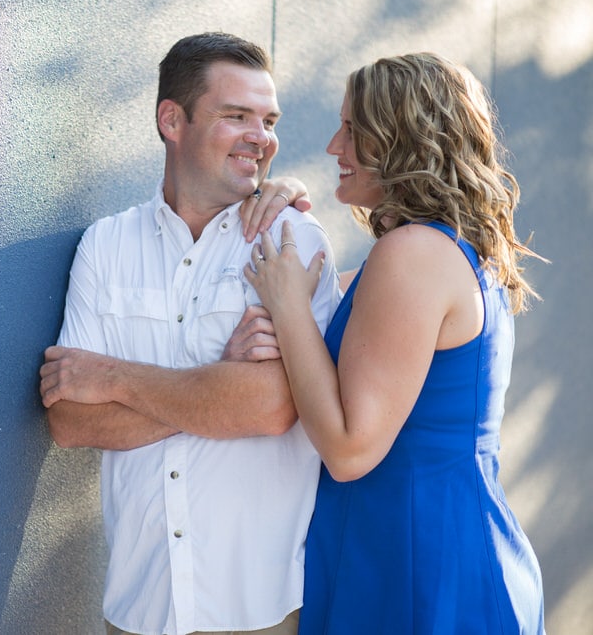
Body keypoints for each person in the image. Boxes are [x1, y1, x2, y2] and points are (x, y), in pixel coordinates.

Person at [39, 32, 342, 635]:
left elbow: (274, 406)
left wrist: (112, 379)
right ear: (171, 120)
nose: (262, 137)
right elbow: (72, 421)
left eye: (269, 119)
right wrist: (219, 387)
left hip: (257, 608)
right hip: (139, 606)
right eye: (237, 116)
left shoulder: (291, 244)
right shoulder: (106, 246)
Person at [244, 53, 546, 634]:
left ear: (404, 140)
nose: (334, 146)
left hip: (418, 560)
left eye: (353, 130)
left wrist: (287, 311)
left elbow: (351, 450)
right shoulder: (441, 250)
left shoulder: (412, 255)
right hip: (417, 541)